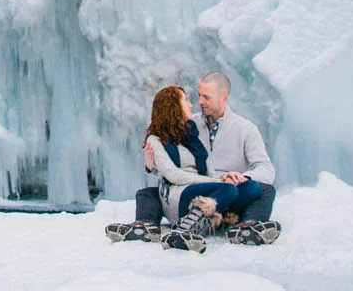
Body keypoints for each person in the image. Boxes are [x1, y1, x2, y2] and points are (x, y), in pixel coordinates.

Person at [106, 71, 281, 248]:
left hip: (229, 186)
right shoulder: (188, 124)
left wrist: (245, 177)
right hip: (200, 187)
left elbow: (266, 168)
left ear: (224, 97)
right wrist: (151, 167)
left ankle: (248, 226)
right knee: (149, 193)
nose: (199, 102)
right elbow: (174, 162)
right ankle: (149, 225)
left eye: (206, 97)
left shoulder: (245, 129)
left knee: (265, 189)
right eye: (198, 96)